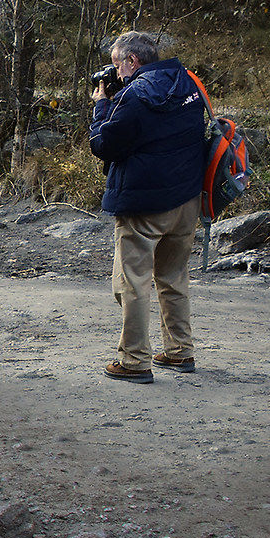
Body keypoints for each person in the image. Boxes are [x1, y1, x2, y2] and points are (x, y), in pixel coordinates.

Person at [89, 30, 207, 381]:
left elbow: (104, 144)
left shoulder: (135, 96)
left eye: (116, 65)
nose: (114, 73)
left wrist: (101, 105)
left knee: (132, 282)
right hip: (186, 198)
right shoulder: (189, 84)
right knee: (172, 277)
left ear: (132, 62)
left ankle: (133, 361)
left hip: (144, 204)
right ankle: (180, 352)